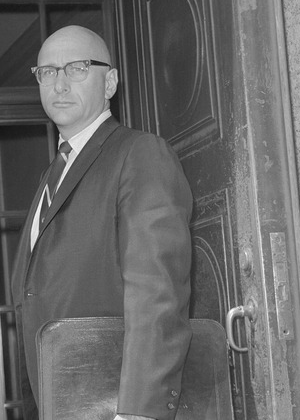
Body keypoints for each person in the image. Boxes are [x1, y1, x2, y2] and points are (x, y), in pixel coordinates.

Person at [11, 25, 193, 420]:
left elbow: (157, 295)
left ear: (109, 81)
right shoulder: (52, 175)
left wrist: (140, 411)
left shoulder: (140, 154)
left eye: (76, 68)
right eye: (47, 72)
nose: (59, 83)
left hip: (116, 407)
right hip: (60, 401)